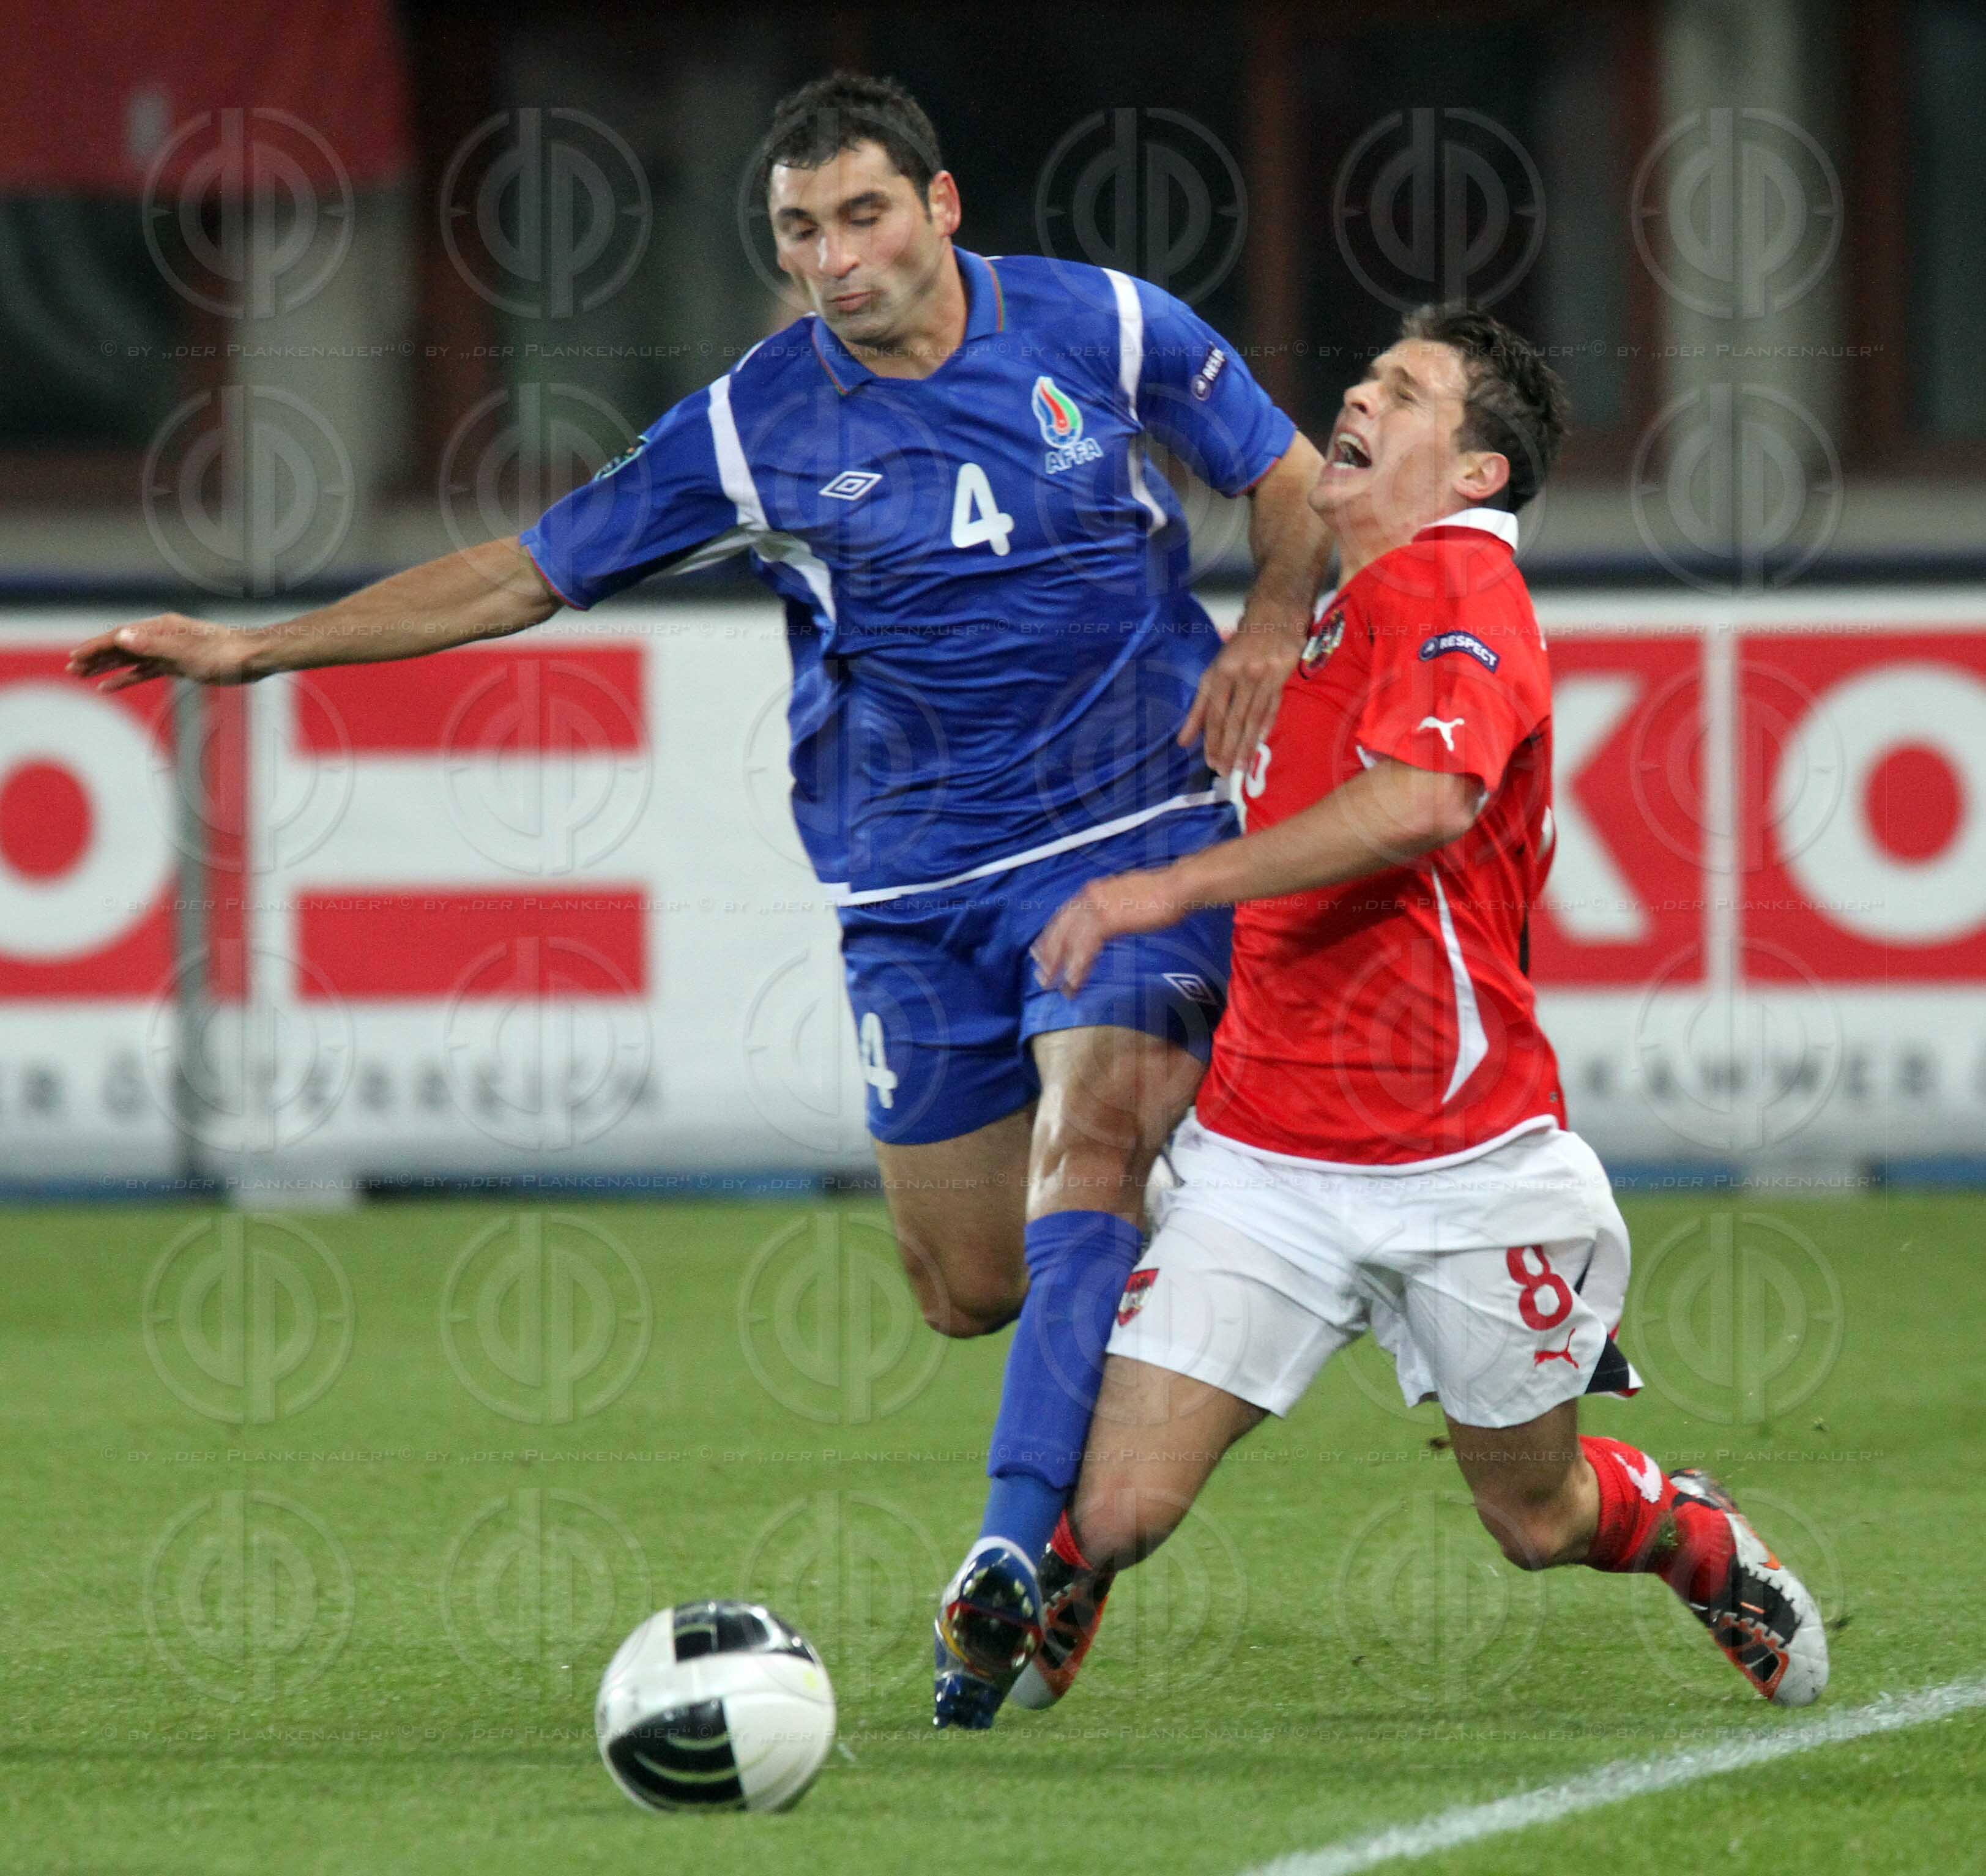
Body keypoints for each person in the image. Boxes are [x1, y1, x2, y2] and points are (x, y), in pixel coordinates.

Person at [67, 72, 1332, 1728]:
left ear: (940, 208)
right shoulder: (754, 422)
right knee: (970, 1283)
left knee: (1086, 1143)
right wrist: (254, 645)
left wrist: (1262, 633)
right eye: (800, 229)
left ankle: (1014, 1564)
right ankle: (1252, 1266)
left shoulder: (1099, 328)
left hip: (1131, 830)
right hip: (907, 884)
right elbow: (528, 567)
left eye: (863, 215)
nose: (834, 256)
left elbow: (1288, 478)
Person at [1021, 304, 1828, 1715]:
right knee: (1123, 1509)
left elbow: (1423, 803)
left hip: (1464, 1165)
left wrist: (1165, 891)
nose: (1359, 392)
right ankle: (1038, 1588)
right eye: (1369, 373)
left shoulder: (1459, 589)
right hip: (1269, 1159)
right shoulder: (1351, 599)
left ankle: (1693, 1536)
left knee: (1538, 1520)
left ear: (1475, 475)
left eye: (1405, 391)